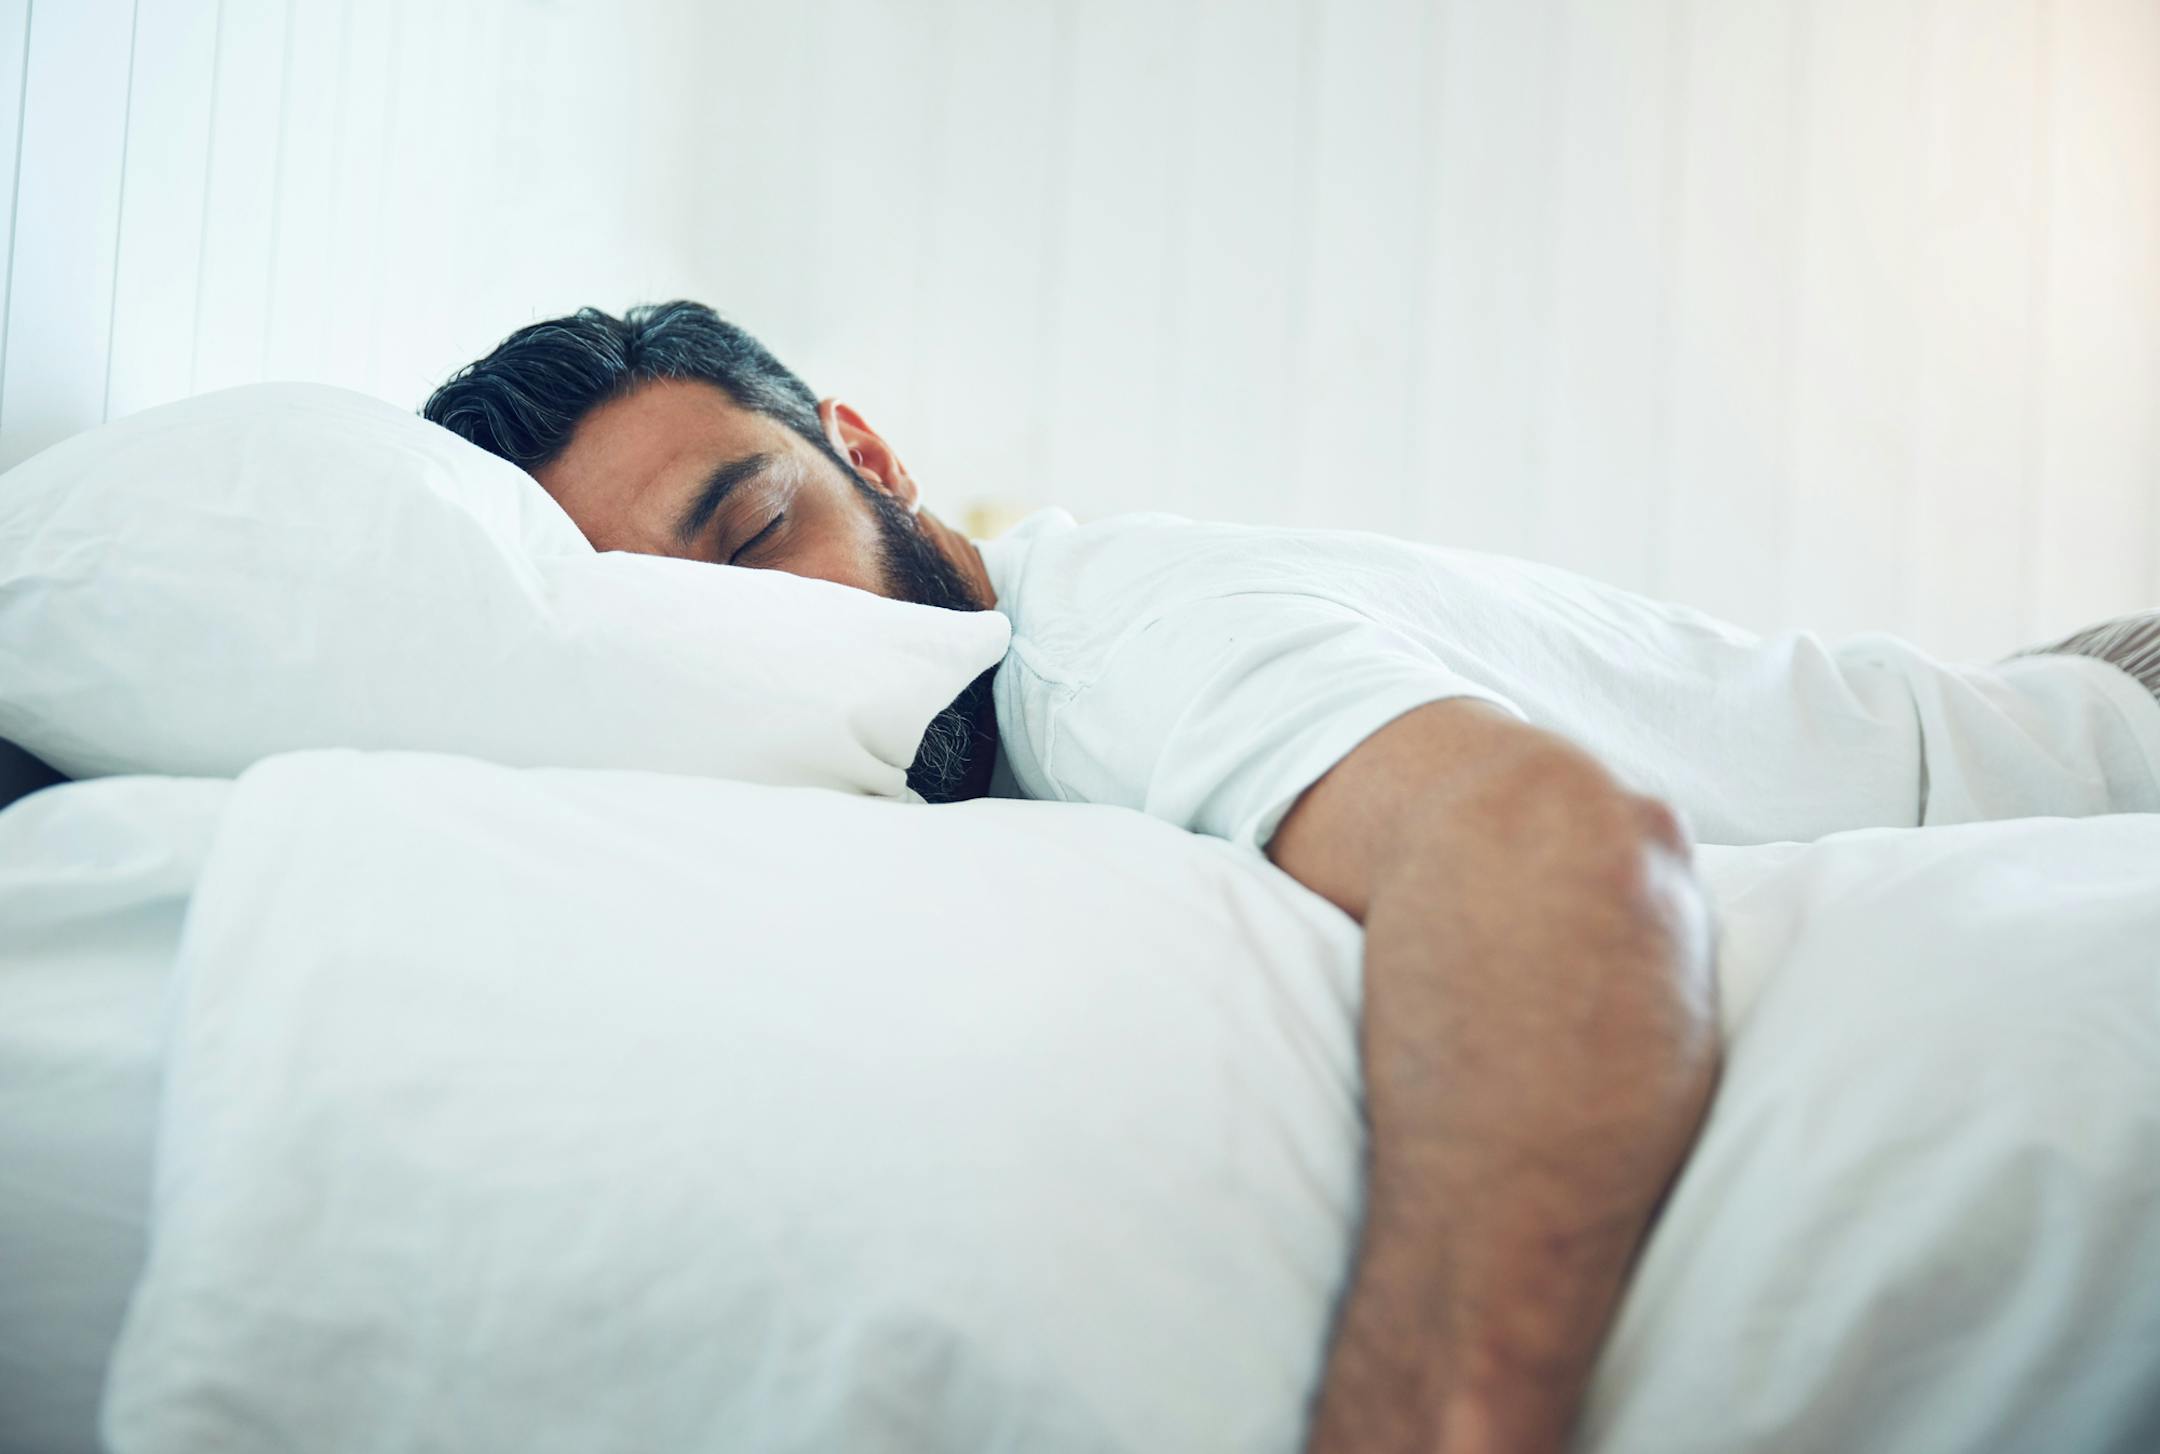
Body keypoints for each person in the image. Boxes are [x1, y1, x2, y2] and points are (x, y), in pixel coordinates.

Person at [424, 301, 2157, 1454]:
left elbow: (1559, 861)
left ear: (869, 455)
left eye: (755, 528)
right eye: (691, 619)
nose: (774, 630)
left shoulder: (1101, 653)